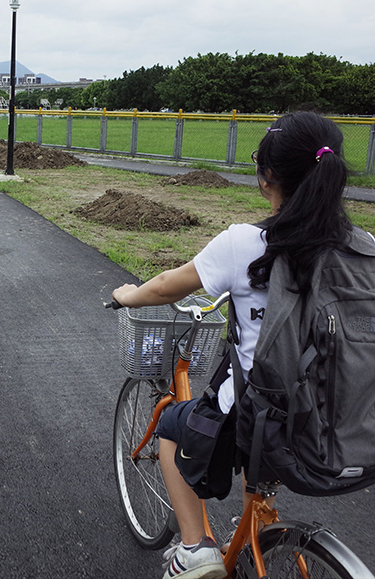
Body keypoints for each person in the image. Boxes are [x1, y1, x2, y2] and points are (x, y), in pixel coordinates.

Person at [112, 111, 352, 579]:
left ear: (266, 177)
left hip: (264, 414)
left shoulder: (247, 243)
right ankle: (257, 535)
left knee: (170, 425)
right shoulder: (361, 248)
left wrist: (126, 295)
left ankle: (193, 550)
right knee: (261, 467)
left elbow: (166, 286)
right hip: (336, 416)